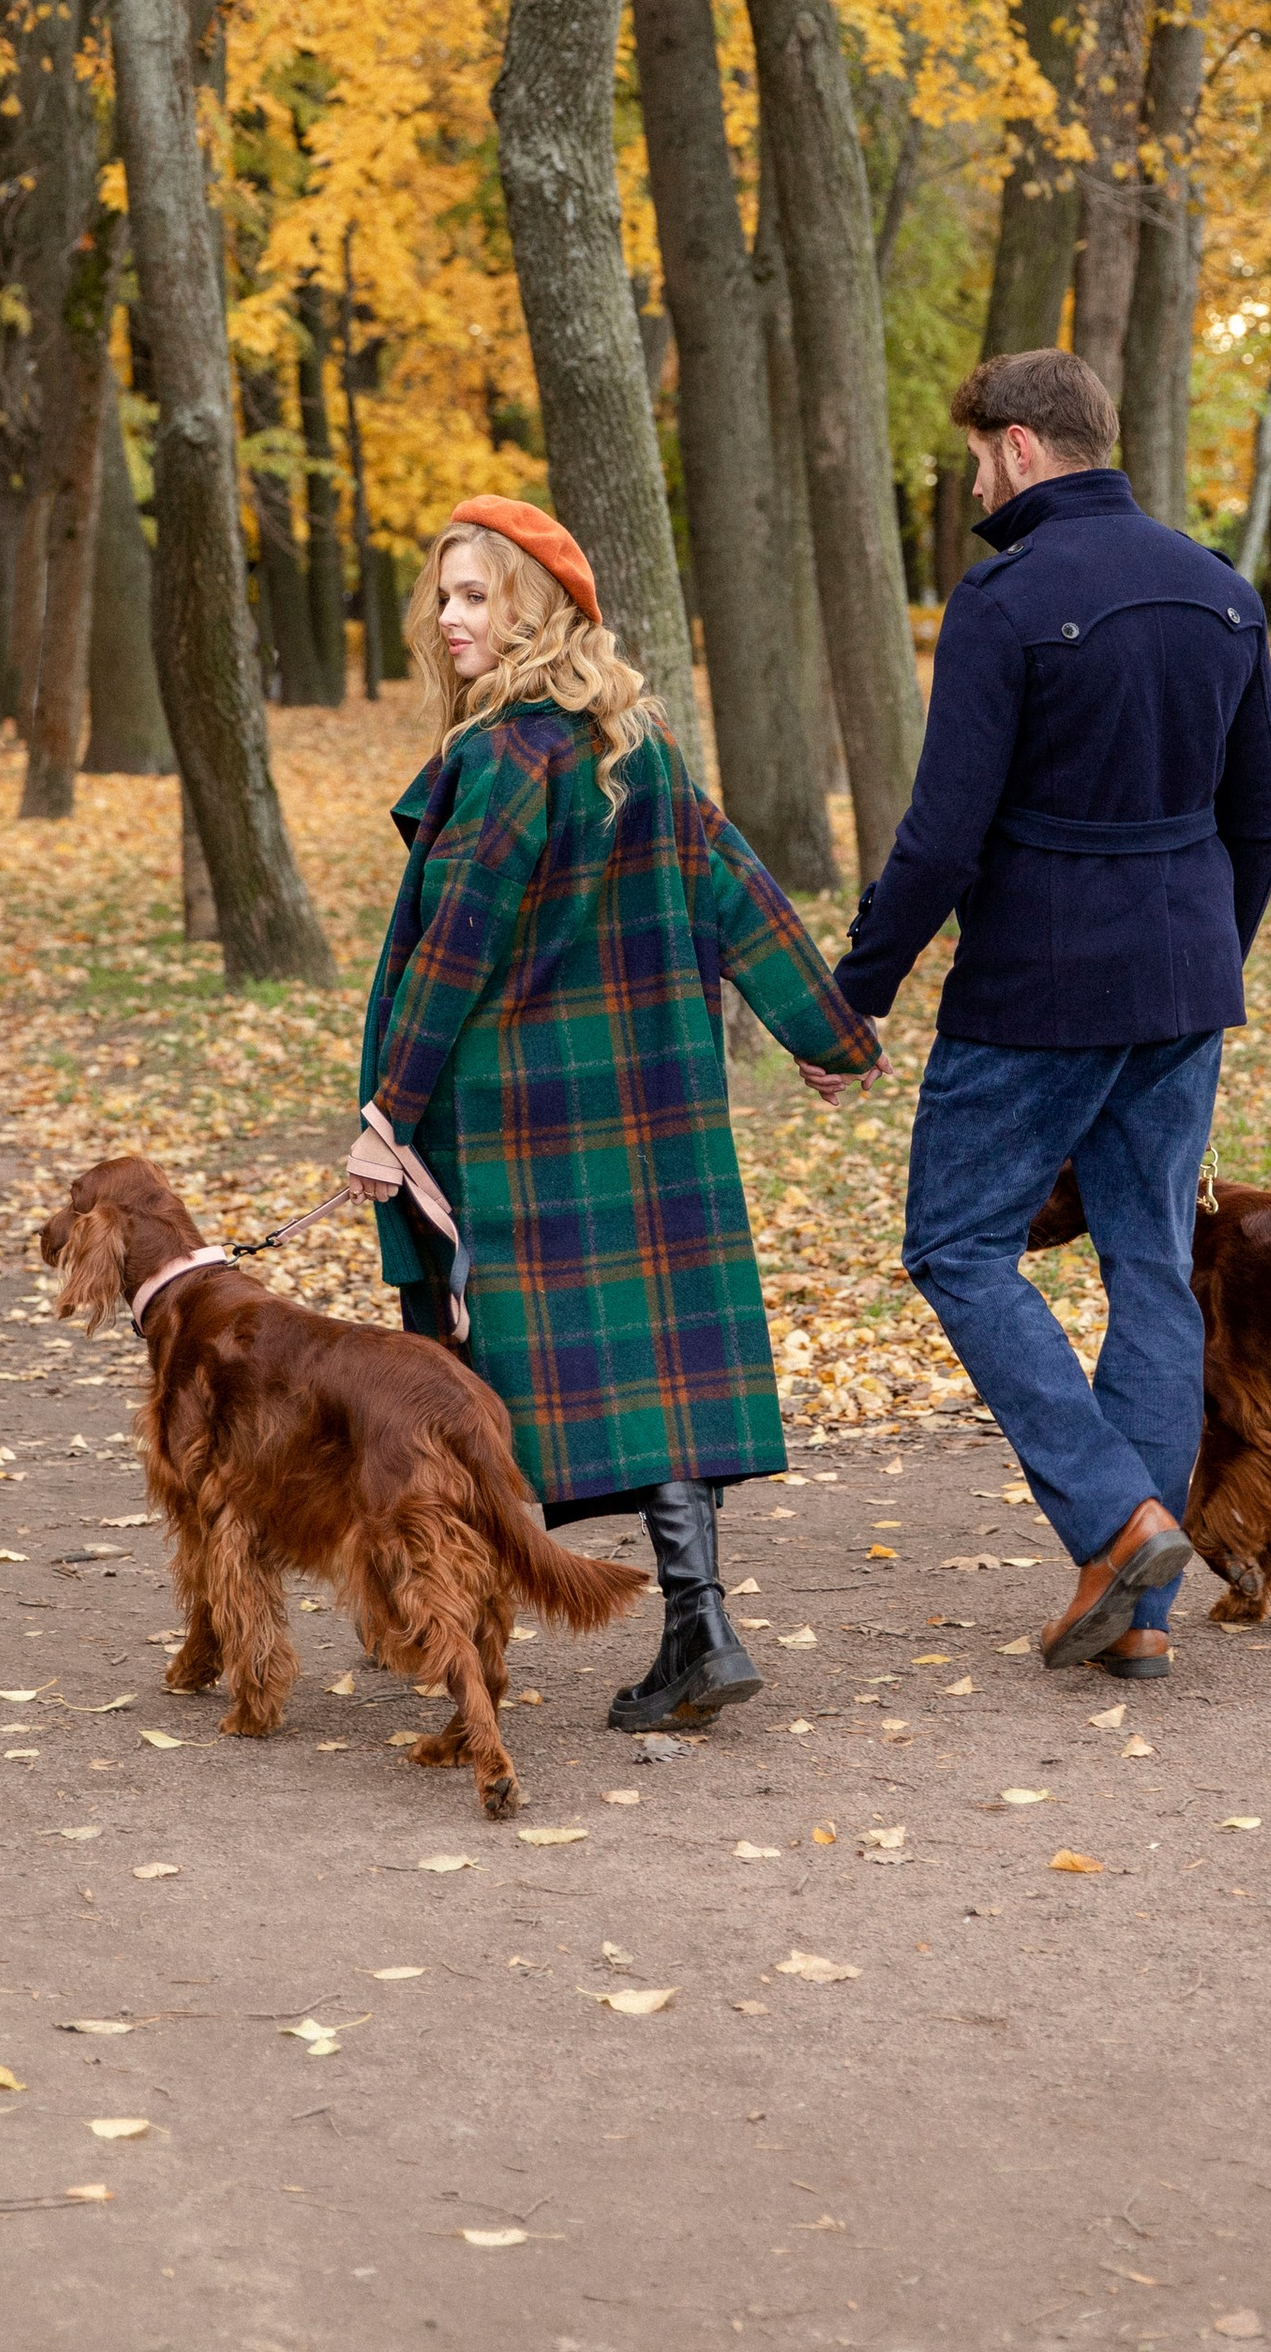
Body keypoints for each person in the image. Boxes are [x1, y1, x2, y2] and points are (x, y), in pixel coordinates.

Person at [349, 495, 878, 1733]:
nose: (450, 615)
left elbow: (450, 957)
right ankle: (699, 1623)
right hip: (648, 1108)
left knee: (472, 1382)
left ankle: (454, 1621)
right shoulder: (637, 745)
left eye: (477, 594)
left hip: (523, 1132)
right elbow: (739, 889)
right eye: (445, 594)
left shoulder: (501, 763)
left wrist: (388, 1115)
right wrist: (828, 1033)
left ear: (536, 608)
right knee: (657, 1361)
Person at [833, 352, 1271, 1680]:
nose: (976, 478)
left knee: (958, 1246)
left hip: (1036, 991)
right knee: (1149, 1271)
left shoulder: (1006, 597)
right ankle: (1138, 1618)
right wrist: (1206, 955)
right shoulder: (1222, 592)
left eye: (981, 454)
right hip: (1181, 988)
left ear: (1024, 445)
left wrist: (853, 1000)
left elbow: (940, 841)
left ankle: (1118, 1519)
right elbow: (1261, 820)